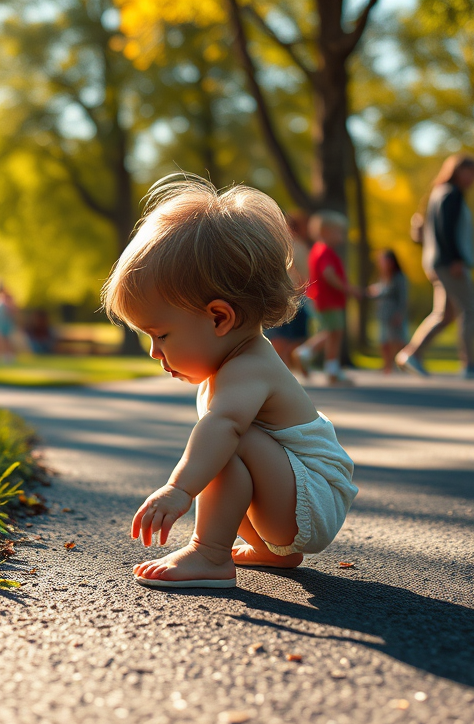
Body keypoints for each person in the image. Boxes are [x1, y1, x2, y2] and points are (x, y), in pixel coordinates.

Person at [101, 174, 357, 588]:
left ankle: (209, 552)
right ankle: (271, 551)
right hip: (296, 491)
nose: (154, 351)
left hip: (313, 495)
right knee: (224, 442)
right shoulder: (236, 363)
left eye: (161, 334)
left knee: (224, 439)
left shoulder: (248, 366)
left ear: (220, 318)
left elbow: (223, 429)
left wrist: (178, 489)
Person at [396, 154, 474, 379]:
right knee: (470, 310)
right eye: (470, 172)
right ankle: (470, 365)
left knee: (445, 314)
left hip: (436, 261)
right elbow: (445, 229)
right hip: (448, 262)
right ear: (458, 171)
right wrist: (455, 259)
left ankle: (411, 354)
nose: (473, 178)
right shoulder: (452, 193)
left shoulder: (439, 193)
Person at [294, 211, 361, 386]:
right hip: (329, 299)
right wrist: (348, 288)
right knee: (335, 332)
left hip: (322, 299)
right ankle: (318, 360)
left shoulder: (317, 250)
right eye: (339, 232)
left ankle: (320, 361)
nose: (342, 236)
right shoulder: (325, 251)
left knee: (331, 332)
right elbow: (328, 273)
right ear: (325, 232)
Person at [265, 212, 310, 373]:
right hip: (293, 293)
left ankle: (284, 367)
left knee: (286, 334)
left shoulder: (289, 244)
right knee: (286, 335)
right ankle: (284, 368)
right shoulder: (295, 245)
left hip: (289, 293)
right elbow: (299, 273)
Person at [368, 249, 410, 374]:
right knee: (384, 341)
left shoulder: (399, 278)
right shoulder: (382, 277)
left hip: (394, 314)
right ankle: (387, 366)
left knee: (398, 340)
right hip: (383, 315)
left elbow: (403, 298)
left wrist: (400, 314)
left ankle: (404, 364)